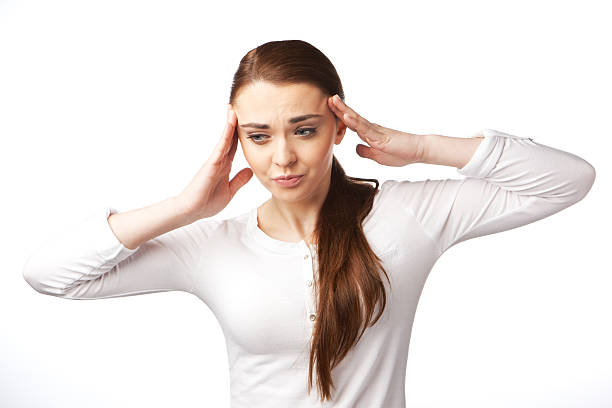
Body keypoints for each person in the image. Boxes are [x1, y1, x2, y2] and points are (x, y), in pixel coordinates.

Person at [22, 40, 596, 408]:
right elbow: (50, 275)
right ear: (235, 139)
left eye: (303, 130)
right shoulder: (210, 245)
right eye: (258, 136)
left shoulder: (406, 217)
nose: (282, 159)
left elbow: (568, 179)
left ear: (339, 125)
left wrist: (418, 145)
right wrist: (183, 207)